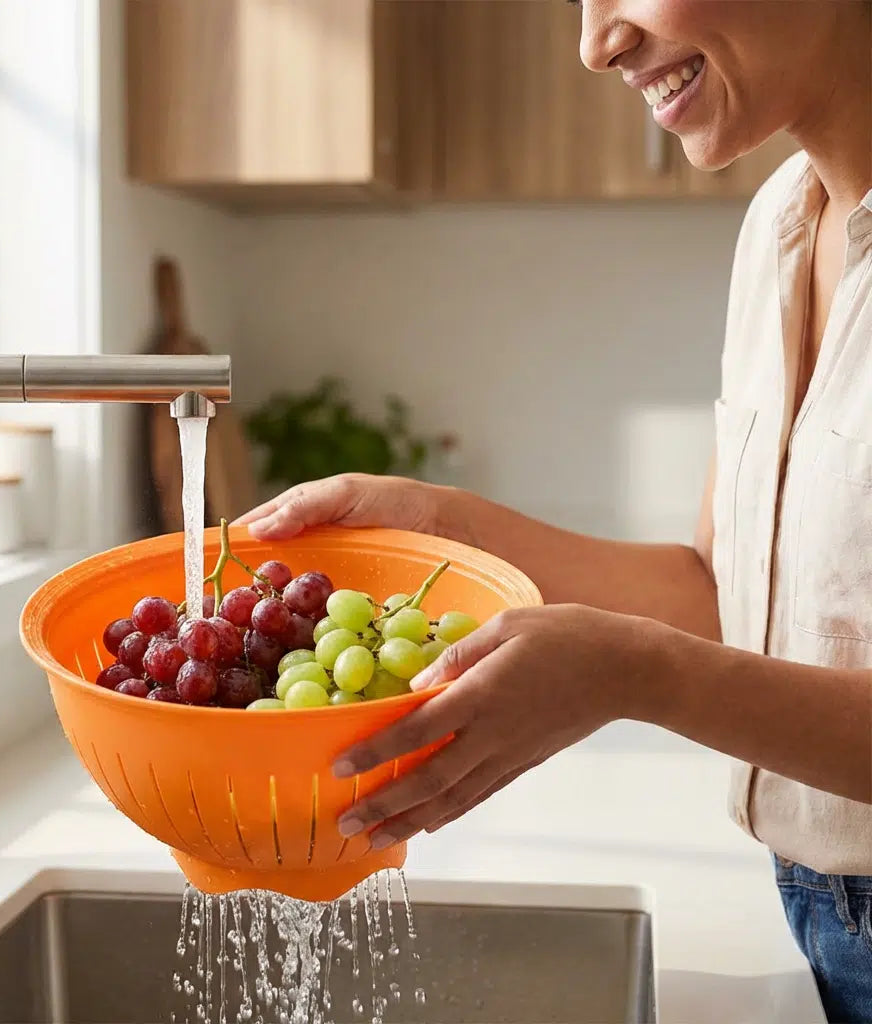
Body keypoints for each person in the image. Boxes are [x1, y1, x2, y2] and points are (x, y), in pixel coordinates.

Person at [236, 2, 872, 1020]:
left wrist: (630, 673)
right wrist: (441, 526)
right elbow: (717, 596)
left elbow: (675, 650)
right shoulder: (778, 227)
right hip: (816, 911)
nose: (593, 43)